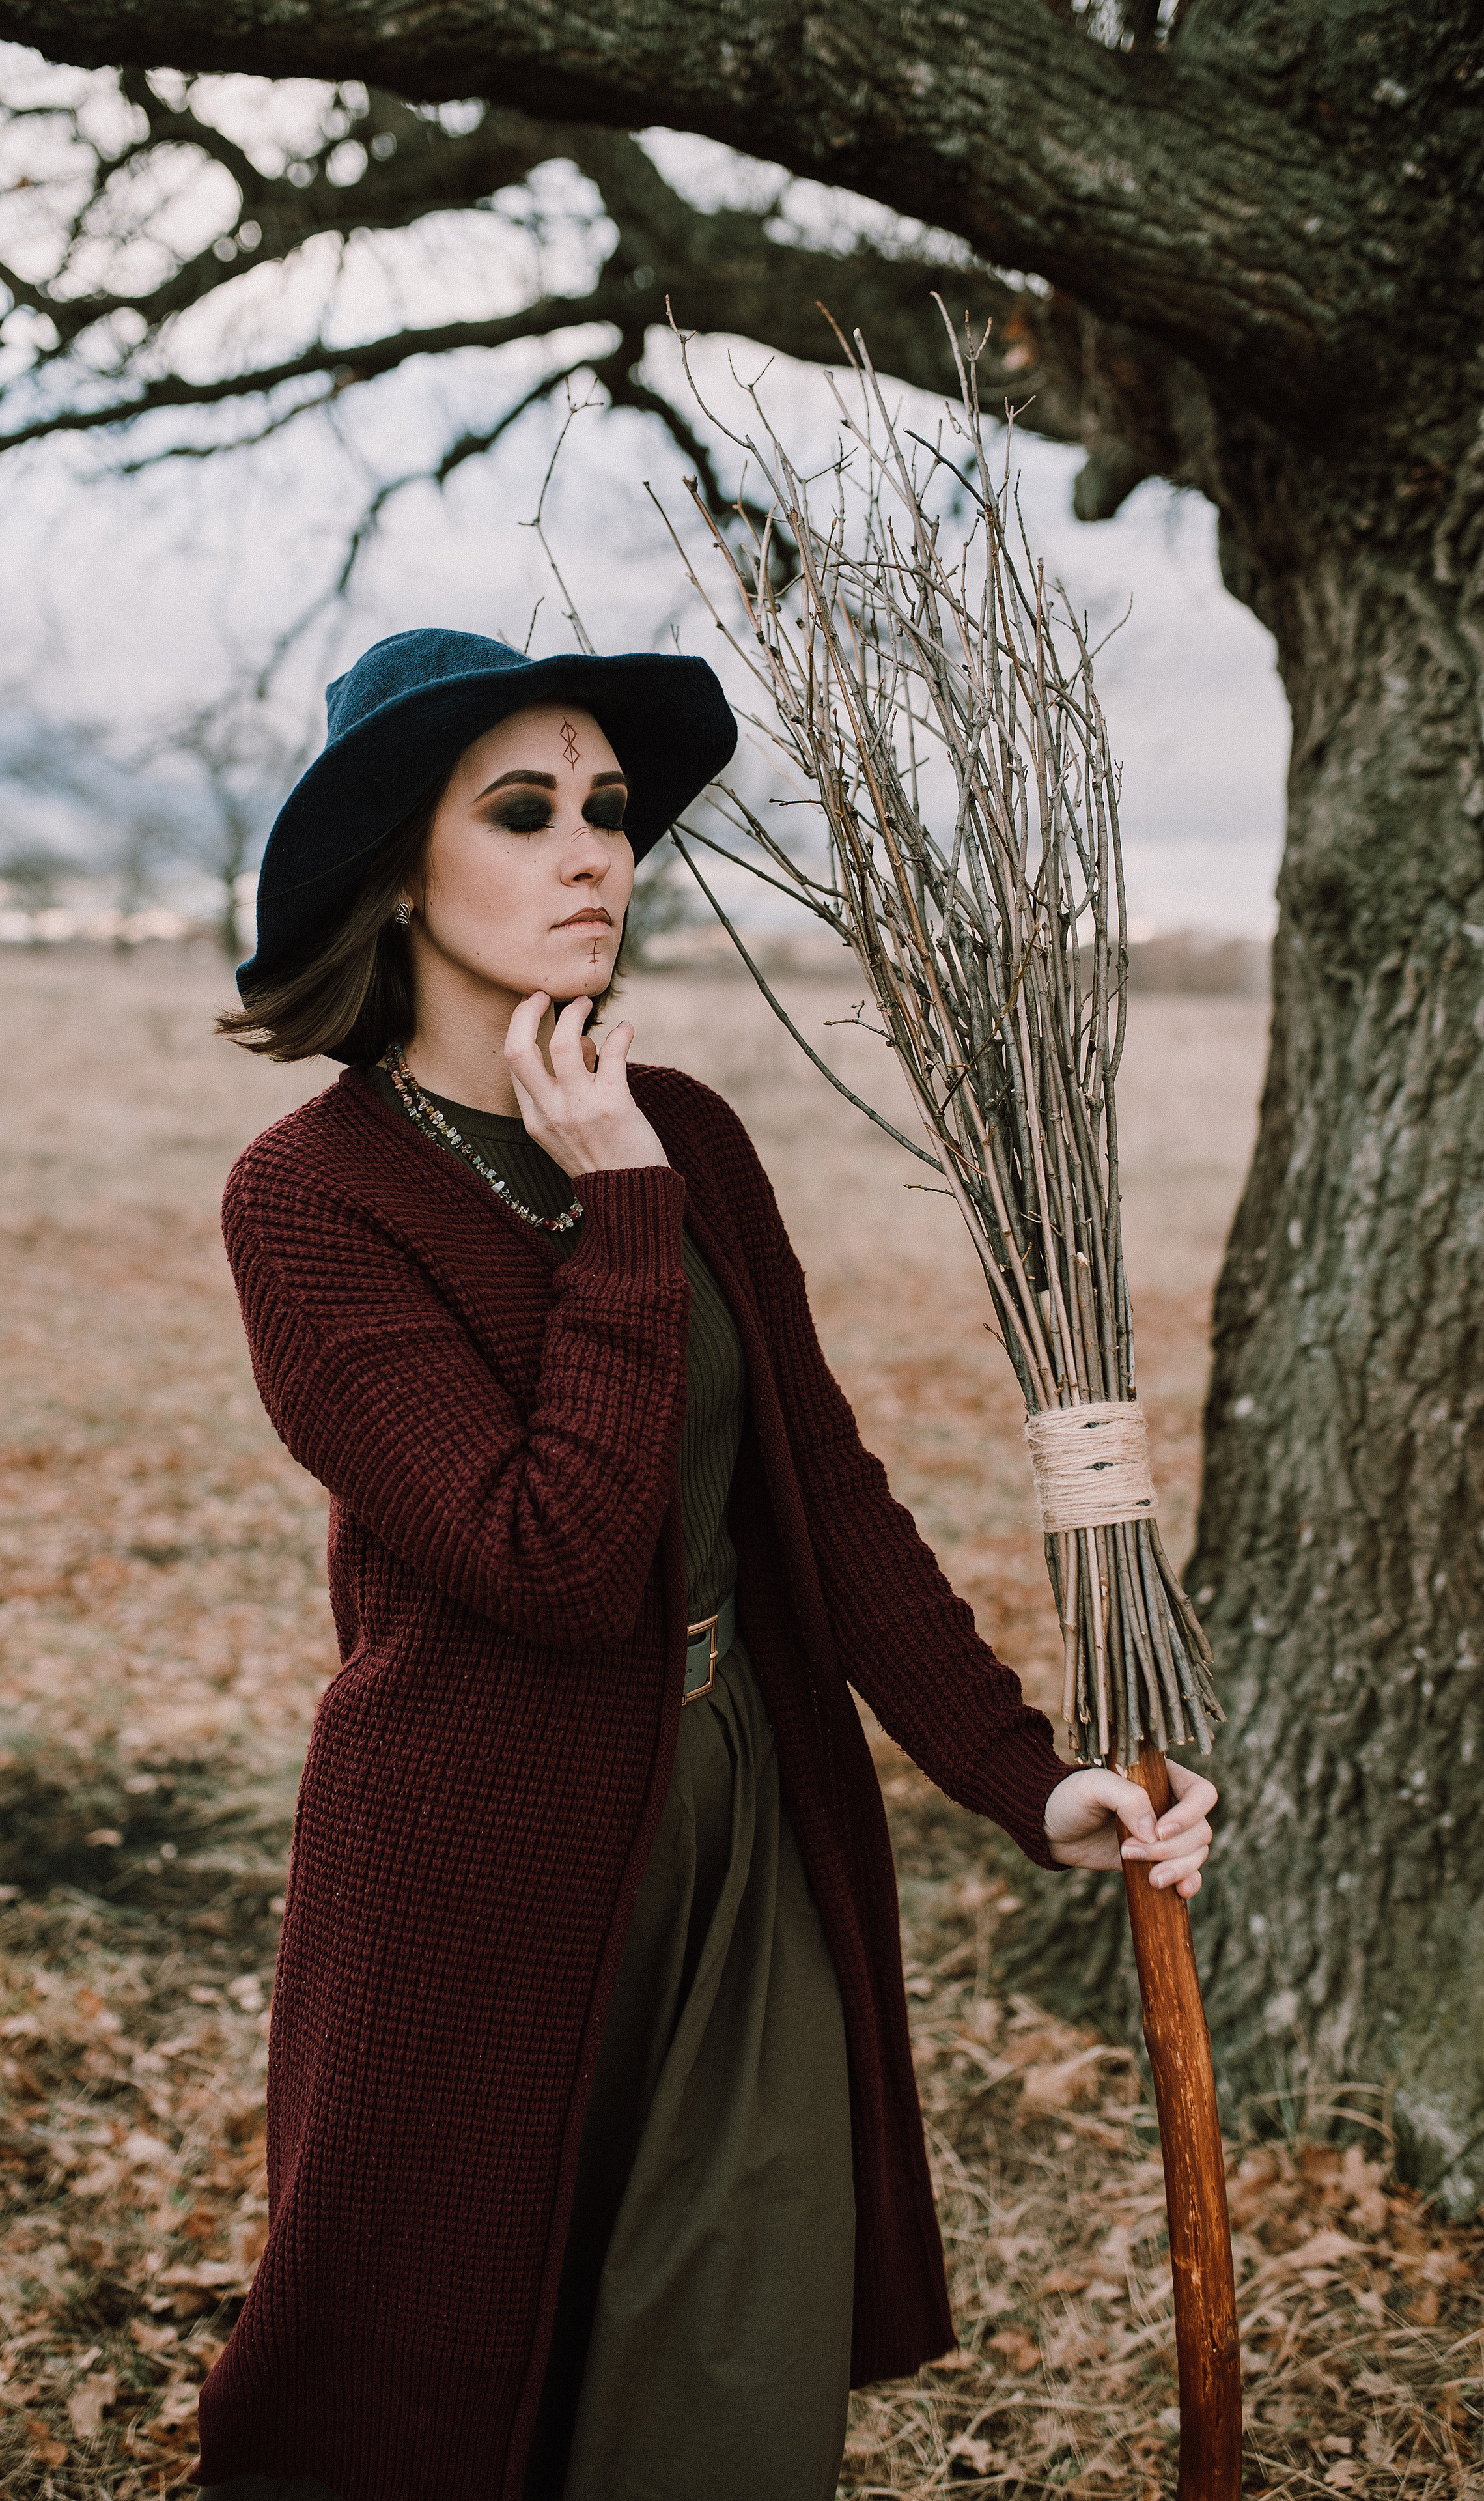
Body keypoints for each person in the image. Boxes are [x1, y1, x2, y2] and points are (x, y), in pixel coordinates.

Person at [193, 629, 1216, 2501]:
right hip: (472, 1862)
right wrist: (624, 1204)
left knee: (723, 2377)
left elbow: (817, 1499)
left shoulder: (701, 1139)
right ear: (398, 871)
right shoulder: (314, 1197)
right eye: (525, 813)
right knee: (429, 2384)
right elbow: (553, 1556)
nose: (596, 851)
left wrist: (1030, 1778)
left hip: (744, 1829)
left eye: (608, 811)